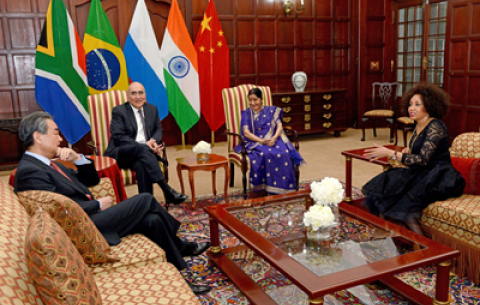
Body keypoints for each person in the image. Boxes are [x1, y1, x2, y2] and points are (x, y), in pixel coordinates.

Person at [14, 111, 211, 294]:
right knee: (146, 199)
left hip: (88, 219)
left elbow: (91, 180)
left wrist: (78, 158)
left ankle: (181, 279)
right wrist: (98, 205)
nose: (60, 138)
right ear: (38, 137)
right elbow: (57, 212)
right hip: (83, 227)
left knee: (153, 220)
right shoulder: (29, 171)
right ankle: (182, 246)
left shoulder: (47, 164)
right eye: (55, 133)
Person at [362, 83, 465, 236]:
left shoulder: (436, 126)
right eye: (410, 104)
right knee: (382, 190)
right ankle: (388, 241)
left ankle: (426, 252)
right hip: (421, 172)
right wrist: (409, 150)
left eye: (417, 104)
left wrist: (390, 153)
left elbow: (423, 159)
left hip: (438, 176)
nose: (412, 108)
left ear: (429, 106)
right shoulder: (418, 125)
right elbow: (421, 150)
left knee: (407, 212)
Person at [104, 82, 187, 204]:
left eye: (140, 93)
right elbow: (118, 137)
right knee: (143, 150)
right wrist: (145, 146)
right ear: (128, 96)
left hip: (142, 155)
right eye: (134, 93)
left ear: (145, 95)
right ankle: (167, 190)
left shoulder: (152, 109)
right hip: (121, 152)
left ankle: (147, 204)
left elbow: (159, 129)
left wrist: (154, 142)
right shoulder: (119, 111)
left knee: (141, 164)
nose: (138, 97)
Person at [235, 88, 305, 194]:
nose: (252, 103)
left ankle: (285, 188)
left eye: (255, 99)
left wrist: (274, 138)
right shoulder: (246, 114)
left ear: (261, 100)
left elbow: (280, 126)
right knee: (265, 153)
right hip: (254, 142)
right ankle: (265, 188)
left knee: (285, 153)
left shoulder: (271, 111)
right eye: (250, 100)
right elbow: (246, 133)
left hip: (273, 139)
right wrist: (262, 141)